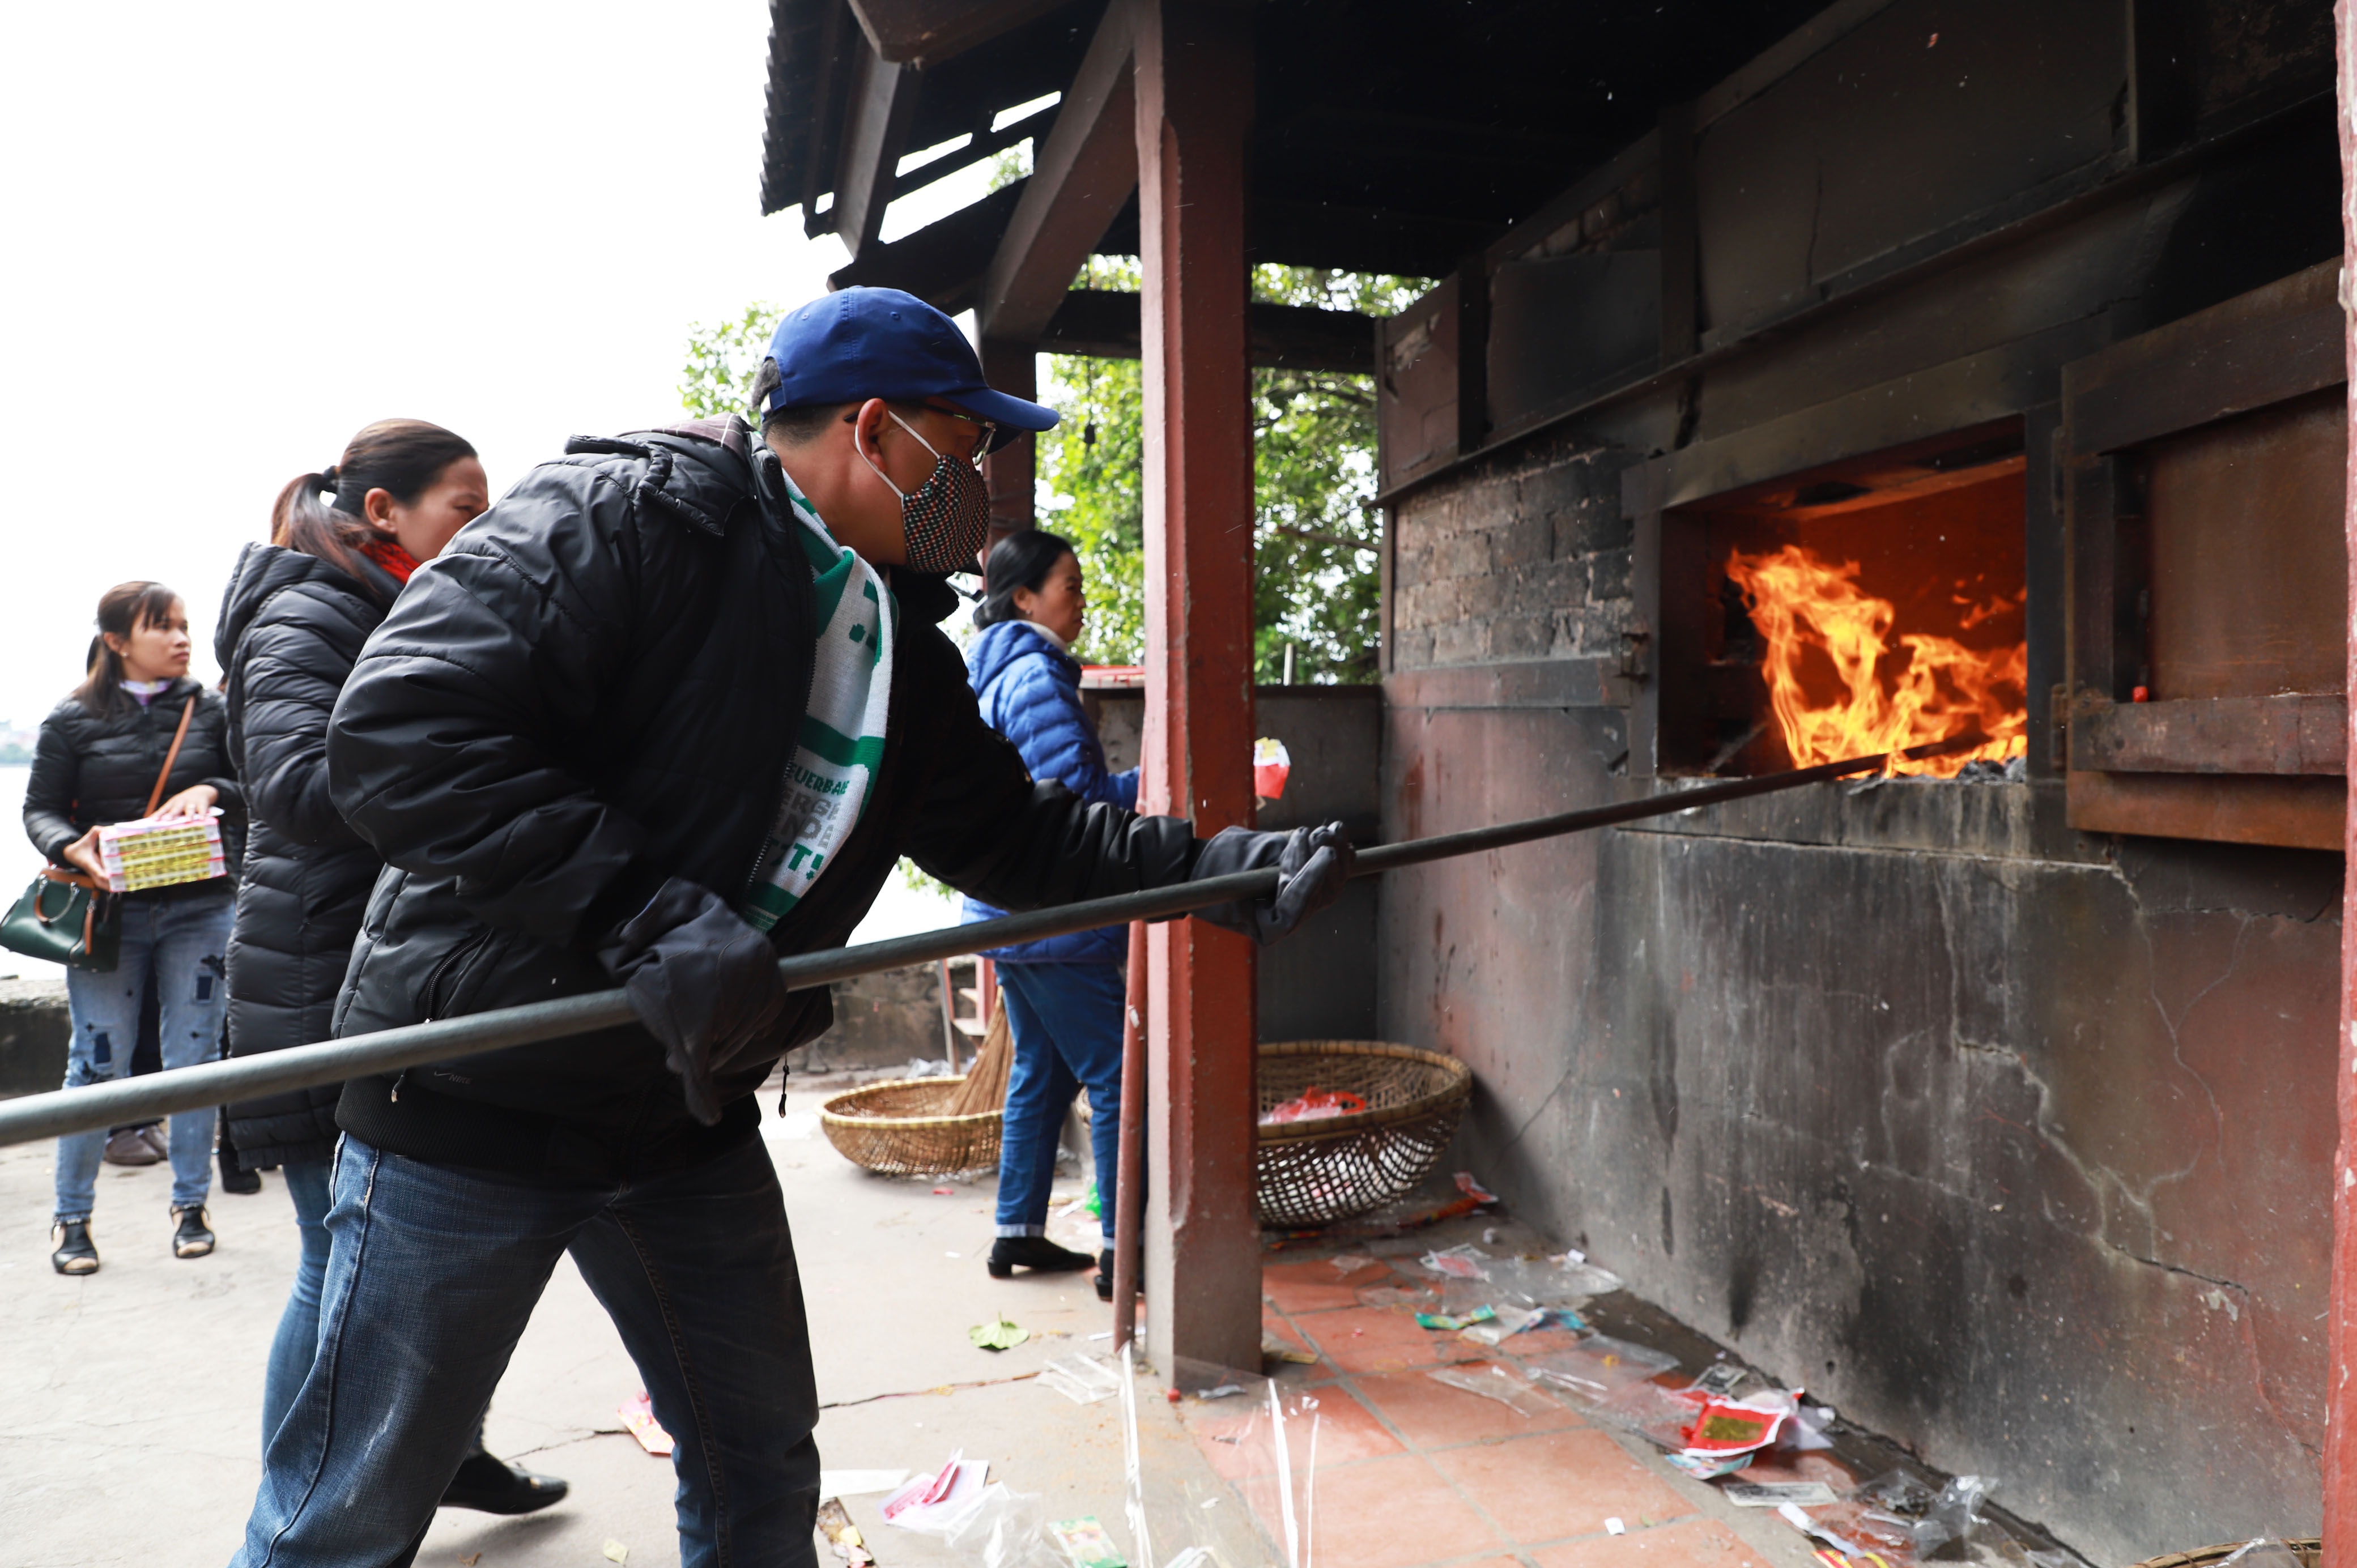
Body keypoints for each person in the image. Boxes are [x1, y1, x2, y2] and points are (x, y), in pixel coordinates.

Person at [228, 287, 1351, 1568]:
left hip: (679, 1110)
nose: (978, 484)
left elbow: (1023, 839)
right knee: (346, 1520)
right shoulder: (627, 517)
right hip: (472, 1097)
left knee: (760, 1468)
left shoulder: (899, 650)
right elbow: (396, 731)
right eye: (965, 445)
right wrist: (641, 916)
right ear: (875, 431)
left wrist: (1221, 867)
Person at [215, 418, 567, 1514]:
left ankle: (443, 1452)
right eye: (465, 504)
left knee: (399, 1265)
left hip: (380, 959)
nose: (485, 523)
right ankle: (298, 1514)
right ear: (385, 512)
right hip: (316, 974)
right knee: (340, 1260)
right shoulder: (305, 608)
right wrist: (471, 783)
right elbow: (295, 782)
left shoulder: (392, 604)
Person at [25, 582, 245, 1273]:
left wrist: (214, 790)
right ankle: (72, 1221)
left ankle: (190, 1206)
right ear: (117, 640)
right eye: (163, 628)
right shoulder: (72, 718)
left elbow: (252, 786)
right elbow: (40, 811)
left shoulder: (210, 710)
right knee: (95, 1066)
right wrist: (72, 847)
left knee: (195, 1062)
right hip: (109, 914)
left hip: (201, 906)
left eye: (184, 626)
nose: (181, 639)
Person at [960, 530, 1136, 1299]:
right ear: (1025, 596)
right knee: (1117, 1077)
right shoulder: (1036, 676)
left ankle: (1017, 1233)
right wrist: (1152, 781)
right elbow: (1074, 807)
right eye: (1070, 582)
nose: (1082, 597)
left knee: (1044, 1070)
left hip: (1009, 916)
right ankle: (1121, 1247)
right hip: (1057, 914)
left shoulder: (998, 672)